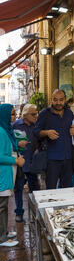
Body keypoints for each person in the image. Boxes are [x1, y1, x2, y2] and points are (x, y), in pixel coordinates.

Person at [33, 89, 74, 189]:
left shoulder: (69, 114)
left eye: (61, 100)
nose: (58, 103)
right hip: (52, 159)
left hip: (68, 158)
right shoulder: (45, 113)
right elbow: (35, 131)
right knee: (51, 190)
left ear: (65, 100)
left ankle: (66, 205)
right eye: (55, 100)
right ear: (51, 100)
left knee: (67, 189)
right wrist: (47, 132)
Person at [0, 104, 25, 247]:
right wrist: (15, 160)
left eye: (15, 113)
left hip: (8, 173)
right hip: (3, 175)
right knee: (2, 206)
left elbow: (9, 148)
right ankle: (1, 238)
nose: (14, 116)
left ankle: (3, 232)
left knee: (3, 205)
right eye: (11, 114)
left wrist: (19, 145)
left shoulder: (6, 129)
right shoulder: (0, 131)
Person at [13, 104, 40, 222]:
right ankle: (19, 212)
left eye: (36, 113)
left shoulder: (37, 126)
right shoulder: (15, 126)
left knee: (35, 188)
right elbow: (8, 142)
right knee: (18, 189)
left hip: (33, 162)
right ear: (25, 115)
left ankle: (36, 213)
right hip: (20, 162)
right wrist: (17, 145)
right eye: (33, 114)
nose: (36, 116)